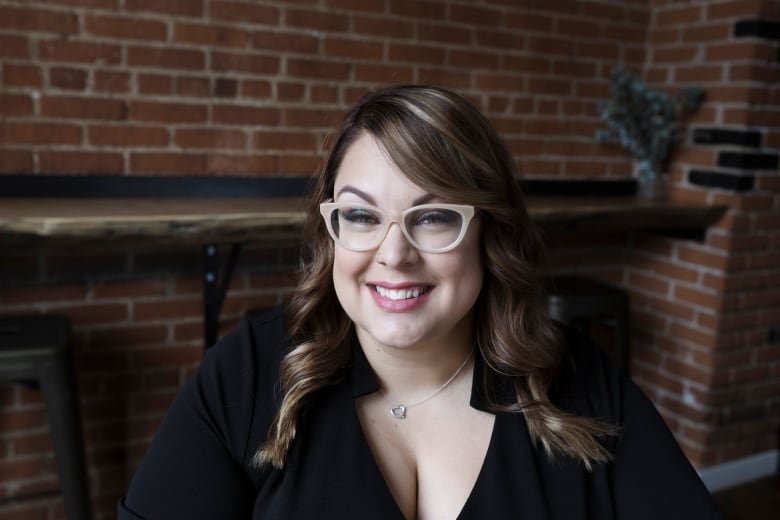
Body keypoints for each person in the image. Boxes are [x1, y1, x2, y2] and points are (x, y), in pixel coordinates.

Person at [119, 85, 721, 519]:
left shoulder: (580, 382)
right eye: (360, 214)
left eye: (433, 217)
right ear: (332, 230)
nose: (393, 253)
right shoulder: (247, 373)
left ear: (490, 232)